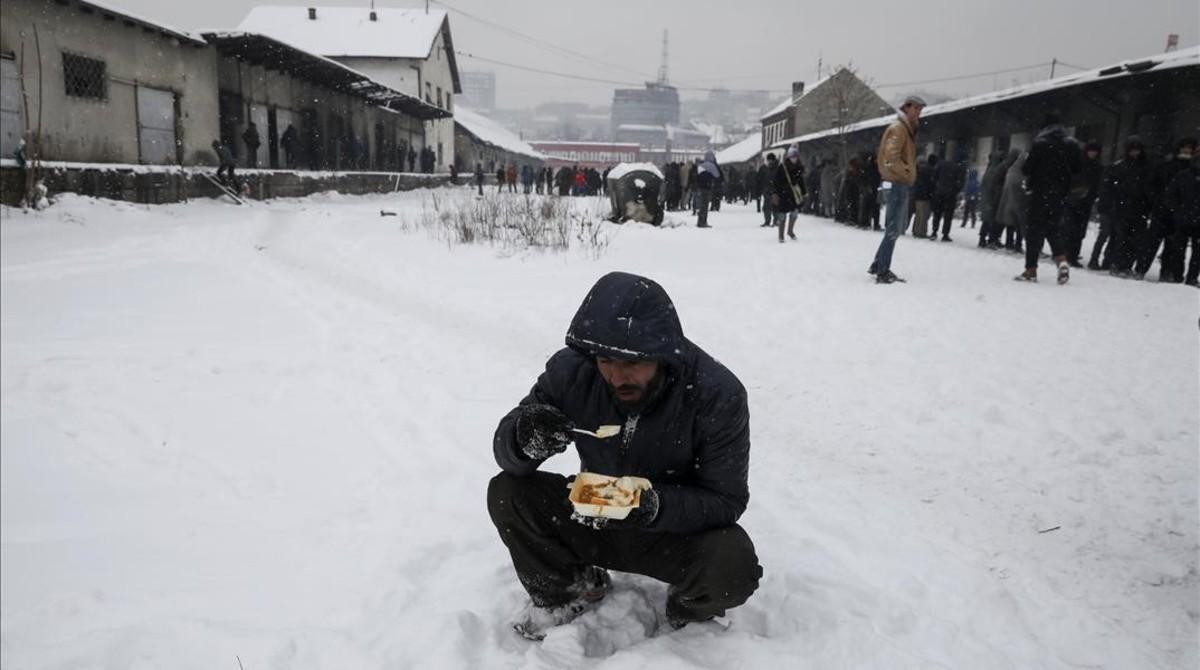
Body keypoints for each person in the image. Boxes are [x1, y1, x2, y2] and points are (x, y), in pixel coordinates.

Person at [488, 271, 761, 641]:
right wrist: (524, 437)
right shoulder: (572, 372)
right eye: (605, 360)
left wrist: (652, 506)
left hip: (668, 532)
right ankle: (569, 589)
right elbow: (508, 451)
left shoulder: (717, 394)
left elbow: (725, 500)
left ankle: (686, 609)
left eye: (632, 362)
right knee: (509, 492)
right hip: (593, 514)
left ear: (662, 354)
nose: (616, 377)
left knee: (733, 563)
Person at [1014, 113, 1080, 283]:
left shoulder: (1040, 143)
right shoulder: (1072, 144)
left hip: (1039, 193)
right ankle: (1062, 260)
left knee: (1034, 231)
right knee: (1053, 228)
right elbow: (1078, 169)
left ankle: (1031, 270)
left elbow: (1027, 169)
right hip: (1060, 194)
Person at [869, 95, 925, 284]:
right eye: (916, 108)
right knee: (894, 228)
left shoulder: (903, 129)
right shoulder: (899, 129)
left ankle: (878, 264)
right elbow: (890, 158)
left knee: (894, 228)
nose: (919, 113)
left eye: (920, 109)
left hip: (897, 183)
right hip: (897, 184)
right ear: (907, 107)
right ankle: (882, 271)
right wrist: (906, 173)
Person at [1100, 137, 1152, 278]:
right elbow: (1108, 187)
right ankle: (1116, 263)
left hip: (1138, 209)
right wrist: (1108, 204)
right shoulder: (1118, 167)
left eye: (1137, 150)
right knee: (1120, 238)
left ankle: (1126, 265)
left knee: (1134, 240)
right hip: (1121, 208)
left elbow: (1149, 189)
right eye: (1132, 150)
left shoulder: (1146, 168)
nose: (1135, 153)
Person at [1146, 138, 1196, 281]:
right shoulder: (1166, 165)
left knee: (1173, 246)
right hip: (1162, 210)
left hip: (1180, 214)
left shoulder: (1191, 169)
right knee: (1152, 242)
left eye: (1189, 148)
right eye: (1184, 147)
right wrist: (1158, 200)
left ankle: (1167, 272)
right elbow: (1153, 184)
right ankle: (1141, 268)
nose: (1187, 150)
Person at [1062, 140, 1102, 267]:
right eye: (1091, 151)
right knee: (1070, 229)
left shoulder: (1097, 166)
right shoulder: (1079, 164)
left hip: (1085, 202)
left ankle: (1072, 255)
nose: (1093, 153)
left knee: (1079, 231)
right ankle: (1065, 254)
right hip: (1074, 200)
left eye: (1095, 151)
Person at [1163, 153, 1200, 285]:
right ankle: (1177, 275)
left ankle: (1192, 277)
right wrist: (1178, 211)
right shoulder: (1183, 175)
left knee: (1197, 253)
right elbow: (1170, 195)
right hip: (1183, 219)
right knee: (1178, 250)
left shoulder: (1183, 175)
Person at [772, 146, 807, 242]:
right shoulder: (782, 167)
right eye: (792, 157)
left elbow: (801, 182)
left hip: (794, 195)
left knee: (794, 213)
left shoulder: (799, 168)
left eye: (796, 157)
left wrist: (804, 193)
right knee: (782, 215)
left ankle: (790, 231)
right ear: (789, 157)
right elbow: (776, 181)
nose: (794, 159)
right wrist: (775, 193)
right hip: (783, 194)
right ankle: (781, 235)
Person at [910, 154, 937, 239]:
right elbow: (931, 184)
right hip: (925, 195)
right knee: (924, 215)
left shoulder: (919, 169)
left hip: (917, 194)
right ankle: (921, 232)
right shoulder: (931, 171)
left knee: (918, 214)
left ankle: (915, 230)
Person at [694, 151, 722, 228]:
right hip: (707, 187)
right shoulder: (711, 165)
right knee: (705, 205)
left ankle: (700, 221)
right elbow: (717, 176)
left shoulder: (700, 165)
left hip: (700, 187)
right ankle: (703, 222)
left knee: (701, 205)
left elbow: (697, 177)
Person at [760, 154, 778, 227]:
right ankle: (767, 221)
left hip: (775, 190)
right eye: (768, 160)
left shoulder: (777, 168)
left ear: (773, 160)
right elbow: (762, 178)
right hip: (767, 190)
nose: (769, 161)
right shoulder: (766, 168)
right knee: (766, 207)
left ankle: (776, 221)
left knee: (775, 206)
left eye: (770, 160)